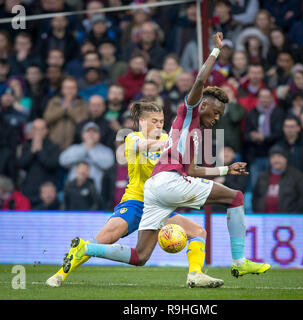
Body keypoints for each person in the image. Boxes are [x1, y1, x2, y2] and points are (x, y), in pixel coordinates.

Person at [55, 33, 270, 288]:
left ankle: (88, 249)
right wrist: (215, 52)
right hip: (151, 191)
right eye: (216, 112)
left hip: (157, 193)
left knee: (143, 255)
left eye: (221, 114)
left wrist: (226, 168)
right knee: (235, 198)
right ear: (203, 106)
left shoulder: (190, 135)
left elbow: (190, 169)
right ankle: (239, 262)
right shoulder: (181, 116)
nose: (218, 117)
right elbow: (200, 80)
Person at [46, 100, 216, 288]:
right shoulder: (132, 138)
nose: (159, 124)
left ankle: (195, 274)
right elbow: (145, 145)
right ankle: (60, 275)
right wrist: (172, 142)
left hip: (159, 206)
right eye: (154, 121)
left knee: (197, 232)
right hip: (136, 202)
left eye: (161, 121)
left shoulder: (167, 138)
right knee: (104, 239)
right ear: (142, 122)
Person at [252, 145, 303, 213]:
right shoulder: (262, 176)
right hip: (264, 219)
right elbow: (255, 197)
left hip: (288, 220)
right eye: (273, 157)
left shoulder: (297, 176)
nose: (276, 160)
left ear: (286, 159)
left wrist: (293, 216)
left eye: (279, 157)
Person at [59, 122, 114, 193]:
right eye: (88, 131)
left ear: (99, 135)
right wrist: (84, 149)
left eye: (95, 131)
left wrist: (91, 150)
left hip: (95, 192)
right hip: (74, 192)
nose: (91, 134)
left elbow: (108, 164)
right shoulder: (74, 148)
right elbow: (62, 161)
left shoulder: (106, 150)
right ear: (82, 135)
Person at [18, 119, 60, 206]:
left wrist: (40, 151)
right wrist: (32, 152)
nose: (37, 132)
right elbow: (21, 165)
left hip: (46, 191)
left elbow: (52, 165)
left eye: (40, 129)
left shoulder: (53, 146)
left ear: (46, 131)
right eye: (35, 129)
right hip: (29, 189)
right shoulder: (27, 146)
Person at [43, 76, 88, 151]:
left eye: (72, 88)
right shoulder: (54, 102)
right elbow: (47, 119)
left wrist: (69, 109)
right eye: (67, 88)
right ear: (62, 89)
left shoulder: (83, 104)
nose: (69, 91)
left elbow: (82, 121)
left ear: (76, 90)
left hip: (74, 144)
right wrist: (62, 109)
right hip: (53, 143)